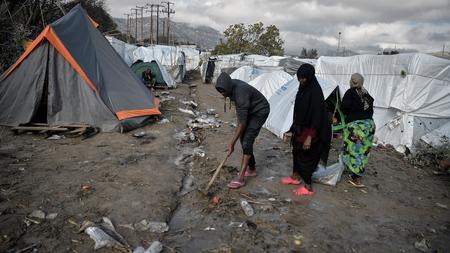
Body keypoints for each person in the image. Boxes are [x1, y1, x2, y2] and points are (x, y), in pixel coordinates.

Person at [281, 64, 331, 196]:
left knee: (306, 156)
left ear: (309, 76)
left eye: (303, 78)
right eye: (299, 78)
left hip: (313, 128)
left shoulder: (315, 91)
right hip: (301, 127)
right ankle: (295, 177)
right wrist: (292, 129)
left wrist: (309, 136)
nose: (301, 80)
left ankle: (308, 187)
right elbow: (298, 111)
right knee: (296, 151)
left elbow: (317, 116)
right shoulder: (303, 88)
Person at [215, 72, 270, 189]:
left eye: (224, 91)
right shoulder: (230, 85)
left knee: (247, 140)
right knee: (243, 138)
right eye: (220, 91)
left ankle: (241, 178)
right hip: (251, 109)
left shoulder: (240, 93)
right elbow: (241, 119)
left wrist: (231, 143)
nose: (222, 94)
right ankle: (252, 168)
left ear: (228, 88)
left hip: (260, 111)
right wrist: (234, 141)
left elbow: (242, 123)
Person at [341, 73, 375, 187]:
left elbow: (344, 107)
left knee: (353, 150)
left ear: (351, 81)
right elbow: (370, 110)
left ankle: (355, 178)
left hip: (356, 126)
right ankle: (357, 176)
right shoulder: (366, 94)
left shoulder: (350, 93)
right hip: (369, 126)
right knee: (363, 151)